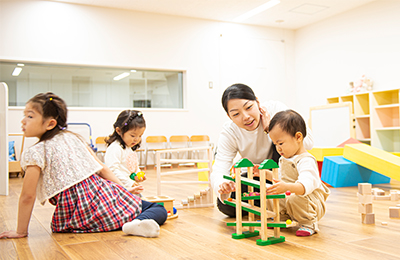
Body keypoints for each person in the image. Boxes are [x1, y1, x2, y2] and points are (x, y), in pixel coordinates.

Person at [0, 92, 167, 239]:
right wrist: (123, 190)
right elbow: (103, 168)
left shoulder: (34, 152)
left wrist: (21, 231)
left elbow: (27, 196)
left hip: (76, 214)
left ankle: (133, 224)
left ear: (50, 123)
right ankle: (135, 223)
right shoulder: (75, 138)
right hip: (102, 195)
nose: (23, 120)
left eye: (30, 116)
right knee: (159, 209)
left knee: (148, 207)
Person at [211, 83, 314, 217]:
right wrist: (223, 185)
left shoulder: (275, 110)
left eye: (249, 107)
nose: (246, 116)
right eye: (236, 114)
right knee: (226, 204)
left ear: (257, 102)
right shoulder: (230, 131)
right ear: (229, 116)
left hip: (285, 174)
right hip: (257, 176)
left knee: (283, 142)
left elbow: (308, 142)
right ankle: (279, 202)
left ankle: (284, 198)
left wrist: (270, 129)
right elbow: (219, 168)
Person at [267, 109, 330, 236]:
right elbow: (279, 177)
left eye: (280, 143)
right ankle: (282, 217)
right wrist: (263, 173)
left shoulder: (306, 160)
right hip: (291, 196)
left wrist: (286, 187)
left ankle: (309, 223)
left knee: (295, 198)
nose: (278, 148)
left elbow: (304, 187)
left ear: (298, 137)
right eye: (275, 144)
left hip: (310, 203)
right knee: (270, 191)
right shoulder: (284, 159)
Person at [104, 110, 146, 195]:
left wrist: (137, 174)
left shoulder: (129, 148)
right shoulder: (115, 148)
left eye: (140, 136)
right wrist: (128, 183)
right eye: (133, 135)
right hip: (119, 189)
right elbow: (112, 170)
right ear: (119, 131)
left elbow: (134, 167)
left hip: (129, 187)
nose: (136, 139)